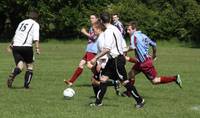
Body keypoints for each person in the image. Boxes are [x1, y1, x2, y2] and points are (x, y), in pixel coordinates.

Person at [88, 12, 144, 108]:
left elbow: (107, 49)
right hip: (113, 59)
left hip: (116, 59)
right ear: (110, 20)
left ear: (101, 21)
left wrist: (95, 58)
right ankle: (98, 102)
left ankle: (140, 100)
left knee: (125, 82)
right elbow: (122, 45)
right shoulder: (115, 29)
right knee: (103, 79)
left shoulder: (108, 31)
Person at [124, 21, 182, 96]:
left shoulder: (134, 36)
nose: (127, 31)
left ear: (134, 29)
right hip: (141, 62)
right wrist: (154, 54)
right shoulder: (143, 35)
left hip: (145, 63)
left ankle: (175, 78)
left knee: (154, 81)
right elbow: (154, 44)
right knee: (131, 74)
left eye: (129, 29)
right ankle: (129, 92)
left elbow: (132, 47)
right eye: (127, 30)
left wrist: (123, 50)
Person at [7, 9, 40, 89]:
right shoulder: (35, 24)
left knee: (20, 66)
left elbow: (16, 34)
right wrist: (37, 48)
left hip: (16, 46)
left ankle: (13, 73)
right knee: (30, 66)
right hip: (26, 47)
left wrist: (11, 45)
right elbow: (36, 38)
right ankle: (26, 86)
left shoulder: (22, 22)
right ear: (36, 18)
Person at [64, 14, 99, 86]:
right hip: (89, 49)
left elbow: (94, 38)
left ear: (97, 19)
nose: (91, 19)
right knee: (81, 64)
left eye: (92, 18)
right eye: (90, 18)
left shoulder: (97, 26)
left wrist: (84, 32)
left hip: (93, 50)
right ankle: (71, 82)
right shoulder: (92, 27)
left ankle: (105, 78)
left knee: (90, 66)